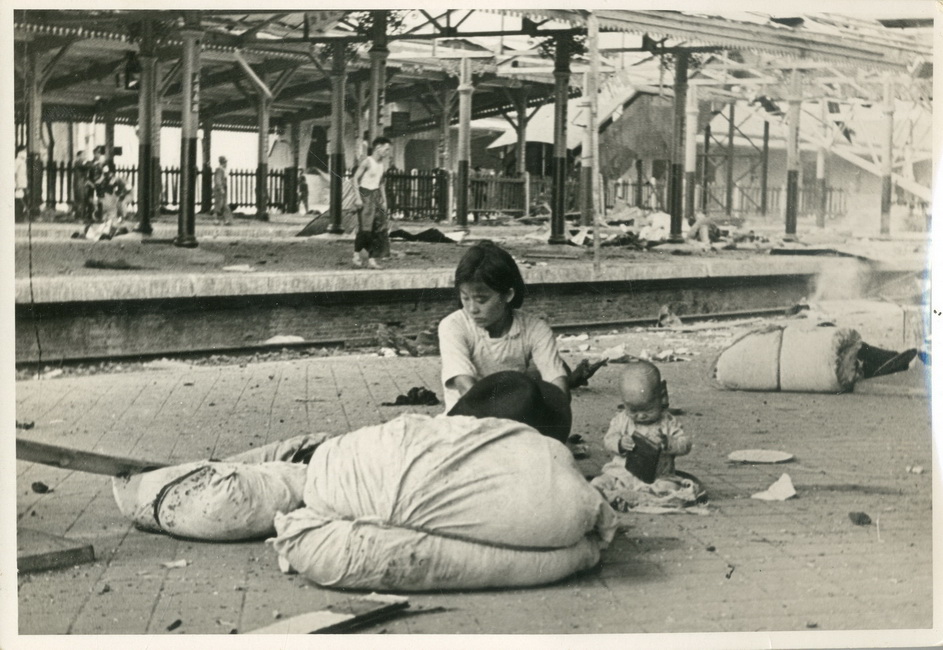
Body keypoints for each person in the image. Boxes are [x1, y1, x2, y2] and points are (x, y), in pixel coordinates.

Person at [438, 240, 572, 443]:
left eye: (482, 300)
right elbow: (466, 386)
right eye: (465, 298)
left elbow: (557, 383)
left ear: (508, 294)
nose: (472, 309)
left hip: (518, 424)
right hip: (467, 425)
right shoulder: (453, 326)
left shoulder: (535, 329)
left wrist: (554, 419)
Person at [591, 360, 703, 512]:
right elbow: (608, 440)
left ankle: (635, 497)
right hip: (623, 472)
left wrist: (669, 443)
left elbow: (685, 444)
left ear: (662, 396)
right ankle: (608, 494)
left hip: (658, 476)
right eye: (633, 410)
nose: (641, 416)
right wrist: (620, 443)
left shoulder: (667, 422)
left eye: (648, 409)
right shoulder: (622, 420)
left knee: (669, 487)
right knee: (601, 481)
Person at [350, 136, 392, 269]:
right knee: (365, 229)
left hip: (376, 196)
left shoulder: (382, 164)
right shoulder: (367, 161)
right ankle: (356, 255)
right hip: (365, 195)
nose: (387, 153)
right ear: (378, 148)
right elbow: (354, 179)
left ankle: (372, 260)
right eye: (386, 149)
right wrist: (357, 198)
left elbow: (381, 184)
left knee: (379, 229)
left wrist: (384, 201)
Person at [71, 150, 93, 223]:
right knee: (80, 200)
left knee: (83, 200)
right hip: (79, 184)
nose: (85, 157)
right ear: (79, 156)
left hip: (82, 183)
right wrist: (93, 163)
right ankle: (79, 217)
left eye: (85, 155)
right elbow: (88, 165)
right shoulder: (78, 162)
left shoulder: (80, 163)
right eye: (83, 155)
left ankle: (81, 216)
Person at [213, 156, 233, 225]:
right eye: (225, 162)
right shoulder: (219, 170)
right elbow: (218, 180)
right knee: (219, 205)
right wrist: (221, 188)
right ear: (223, 163)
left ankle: (226, 220)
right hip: (219, 190)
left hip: (222, 189)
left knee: (223, 205)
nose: (226, 164)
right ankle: (217, 219)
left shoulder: (222, 170)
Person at [15, 145, 28, 223]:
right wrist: (16, 184)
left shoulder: (22, 162)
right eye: (24, 151)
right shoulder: (18, 161)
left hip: (21, 184)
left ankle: (20, 217)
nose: (25, 153)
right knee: (19, 200)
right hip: (18, 185)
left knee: (20, 199)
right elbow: (14, 173)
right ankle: (18, 217)